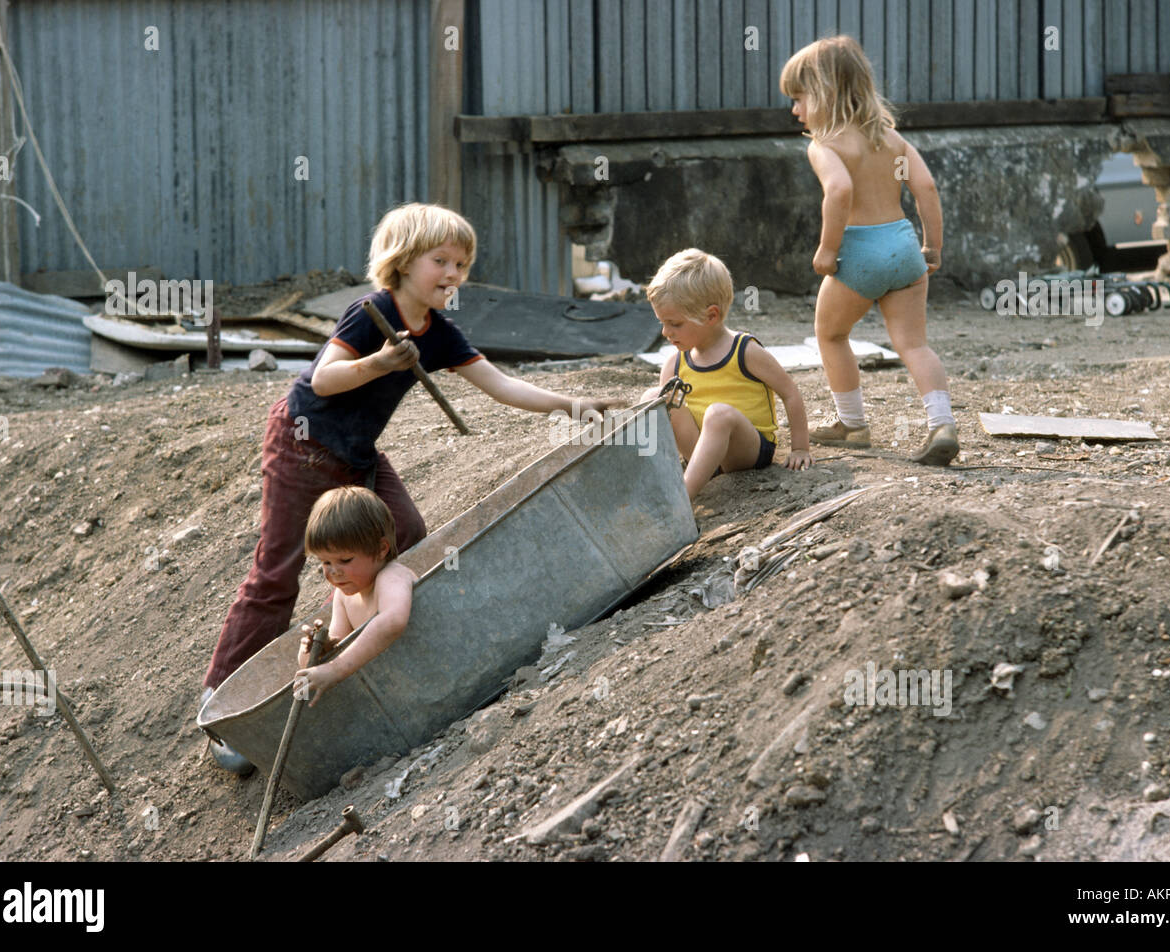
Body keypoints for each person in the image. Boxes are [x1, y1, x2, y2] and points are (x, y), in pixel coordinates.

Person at [201, 202, 617, 774]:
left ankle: (352, 645)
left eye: (463, 265)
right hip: (302, 443)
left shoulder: (439, 333)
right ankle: (222, 711)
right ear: (402, 263)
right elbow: (324, 377)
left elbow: (498, 384)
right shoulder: (370, 313)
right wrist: (378, 362)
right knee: (277, 571)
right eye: (441, 260)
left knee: (406, 533)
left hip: (355, 455)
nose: (453, 274)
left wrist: (571, 404)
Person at [780, 35, 959, 465]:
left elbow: (839, 190)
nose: (794, 110)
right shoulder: (891, 139)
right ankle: (943, 424)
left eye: (799, 98)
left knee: (831, 334)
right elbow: (927, 188)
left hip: (859, 254)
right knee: (914, 345)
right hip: (902, 247)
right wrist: (932, 246)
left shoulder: (824, 145)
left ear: (823, 92)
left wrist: (827, 249)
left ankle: (852, 424)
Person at [641, 248, 812, 499]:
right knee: (654, 397)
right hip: (699, 451)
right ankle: (648, 476)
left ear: (711, 315)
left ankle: (681, 500)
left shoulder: (745, 351)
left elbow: (790, 393)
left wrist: (800, 448)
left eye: (675, 324)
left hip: (745, 451)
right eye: (662, 323)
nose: (665, 332)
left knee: (718, 414)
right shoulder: (674, 364)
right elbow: (665, 423)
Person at [292, 487, 414, 707]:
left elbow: (394, 620)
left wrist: (335, 670)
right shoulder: (343, 597)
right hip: (399, 692)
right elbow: (340, 651)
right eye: (325, 562)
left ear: (381, 549)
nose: (334, 571)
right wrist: (317, 652)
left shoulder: (391, 577)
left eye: (345, 560)